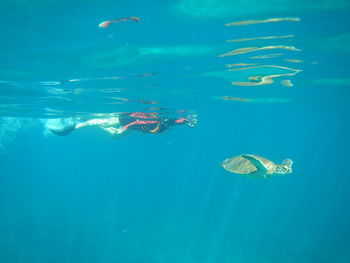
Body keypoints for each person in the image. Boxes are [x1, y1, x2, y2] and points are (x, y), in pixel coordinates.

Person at [46, 112, 197, 138]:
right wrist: (124, 127)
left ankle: (97, 126)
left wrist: (188, 121)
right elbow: (137, 122)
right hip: (122, 120)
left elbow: (179, 121)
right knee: (94, 122)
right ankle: (71, 128)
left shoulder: (166, 122)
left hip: (132, 127)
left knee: (115, 136)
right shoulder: (153, 121)